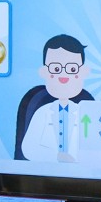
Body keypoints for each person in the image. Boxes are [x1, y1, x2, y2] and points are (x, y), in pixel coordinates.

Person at [17, 34, 93, 162]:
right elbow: (28, 147)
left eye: (72, 68)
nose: (63, 74)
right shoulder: (42, 112)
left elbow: (92, 146)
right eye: (56, 68)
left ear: (83, 72)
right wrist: (56, 157)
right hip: (41, 177)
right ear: (44, 72)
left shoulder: (85, 114)